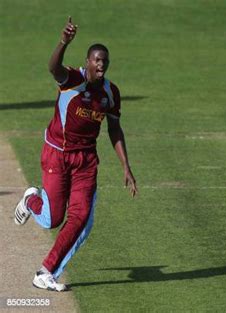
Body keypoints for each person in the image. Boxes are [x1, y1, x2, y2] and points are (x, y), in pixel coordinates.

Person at [14, 17, 138, 292]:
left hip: (85, 161)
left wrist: (126, 167)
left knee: (81, 217)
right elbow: (52, 67)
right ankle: (32, 199)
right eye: (96, 60)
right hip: (57, 154)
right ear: (88, 61)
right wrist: (63, 42)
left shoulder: (110, 93)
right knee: (52, 219)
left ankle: (45, 272)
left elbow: (114, 130)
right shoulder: (73, 79)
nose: (101, 64)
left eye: (104, 60)